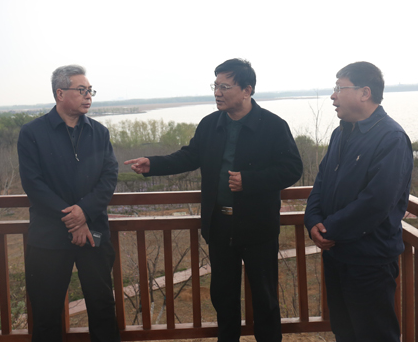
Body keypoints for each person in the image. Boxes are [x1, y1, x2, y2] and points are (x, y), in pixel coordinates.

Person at [125, 58, 302, 342]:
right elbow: (189, 156)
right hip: (219, 224)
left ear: (247, 90)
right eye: (215, 86)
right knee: (223, 296)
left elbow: (292, 168)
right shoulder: (210, 124)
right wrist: (152, 164)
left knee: (265, 297)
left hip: (258, 227)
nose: (217, 92)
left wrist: (249, 180)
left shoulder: (272, 125)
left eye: (225, 87)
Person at [304, 61, 412, 342]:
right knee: (345, 332)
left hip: (369, 261)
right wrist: (312, 220)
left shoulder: (391, 137)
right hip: (336, 256)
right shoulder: (340, 133)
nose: (333, 96)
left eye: (339, 88)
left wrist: (329, 229)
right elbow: (322, 181)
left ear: (365, 93)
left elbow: (377, 202)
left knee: (375, 335)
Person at [17, 64, 120, 342]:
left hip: (94, 233)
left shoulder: (99, 132)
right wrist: (74, 219)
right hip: (49, 237)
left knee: (102, 307)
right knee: (46, 313)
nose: (88, 96)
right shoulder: (32, 132)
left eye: (90, 91)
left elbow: (109, 177)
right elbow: (33, 184)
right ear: (60, 93)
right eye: (82, 90)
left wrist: (84, 212)